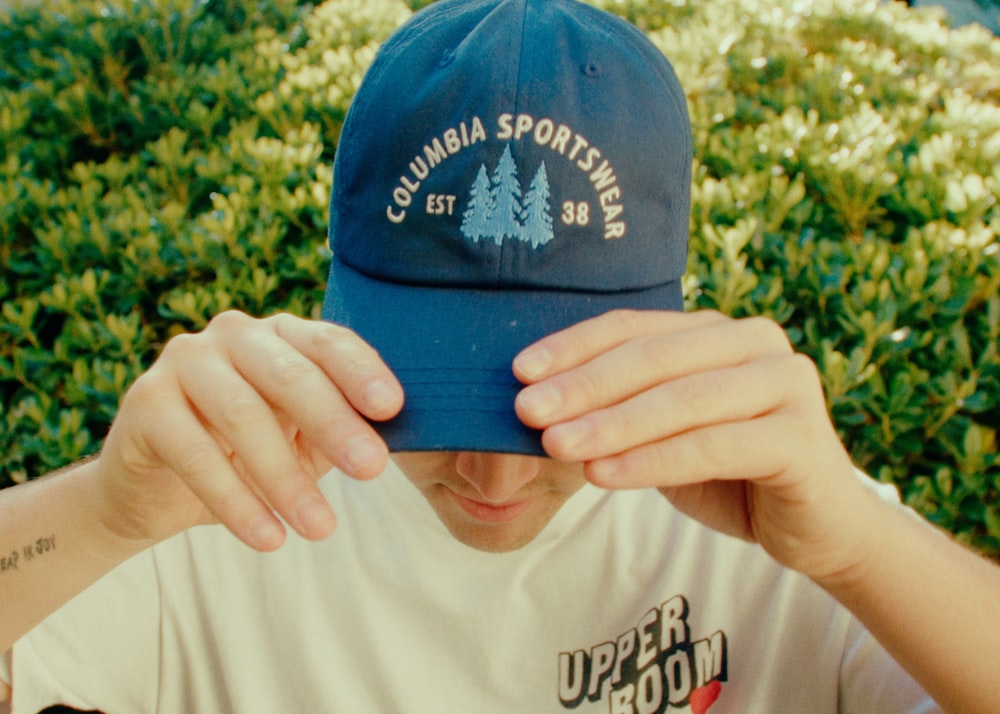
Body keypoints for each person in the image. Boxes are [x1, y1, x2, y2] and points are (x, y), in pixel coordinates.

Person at [1, 0, 999, 711]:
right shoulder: (224, 496)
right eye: (436, 400)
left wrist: (861, 550)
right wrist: (98, 515)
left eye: (548, 407)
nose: (492, 470)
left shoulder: (765, 515)